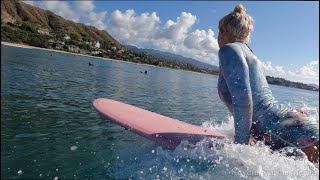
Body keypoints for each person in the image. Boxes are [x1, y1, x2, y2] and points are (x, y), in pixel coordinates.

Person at [217, 4, 319, 162]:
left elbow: (243, 99)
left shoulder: (228, 49)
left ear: (222, 32)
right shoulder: (251, 54)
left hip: (284, 130)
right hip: (291, 124)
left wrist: (240, 148)